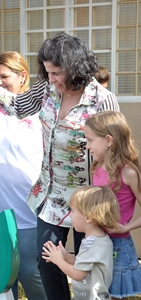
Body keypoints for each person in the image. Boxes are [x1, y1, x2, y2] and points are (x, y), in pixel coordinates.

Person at [0, 32, 120, 300]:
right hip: (51, 196)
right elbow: (17, 106)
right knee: (47, 262)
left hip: (90, 200)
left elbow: (116, 151)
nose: (50, 79)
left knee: (89, 267)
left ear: (74, 68)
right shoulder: (46, 88)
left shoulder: (102, 99)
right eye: (48, 72)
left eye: (56, 73)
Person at [0, 51, 46, 300]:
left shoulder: (38, 112)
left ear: (22, 75)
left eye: (4, 76)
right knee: (1, 278)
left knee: (30, 272)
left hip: (26, 210)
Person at [84, 110, 141, 299]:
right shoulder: (97, 167)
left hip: (118, 245)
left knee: (114, 293)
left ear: (108, 140)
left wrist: (125, 227)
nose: (87, 145)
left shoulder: (129, 173)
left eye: (91, 140)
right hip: (97, 241)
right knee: (97, 292)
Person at [42, 186, 120, 300]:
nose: (70, 215)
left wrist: (58, 260)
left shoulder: (93, 245)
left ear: (88, 217)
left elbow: (78, 274)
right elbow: (84, 265)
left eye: (73, 211)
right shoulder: (97, 240)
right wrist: (66, 256)